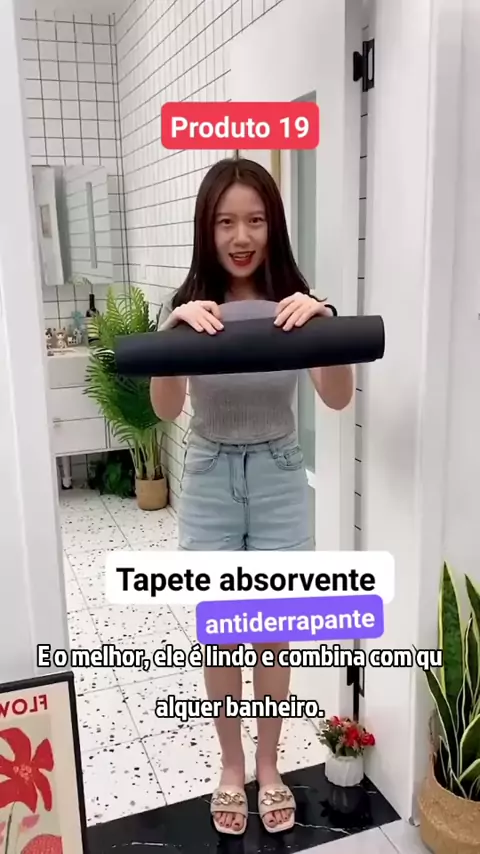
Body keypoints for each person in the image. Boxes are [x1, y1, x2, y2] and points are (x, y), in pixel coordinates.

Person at [150, 157, 353, 835]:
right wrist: (173, 334)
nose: (242, 236)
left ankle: (268, 767)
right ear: (206, 230)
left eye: (256, 220)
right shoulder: (188, 306)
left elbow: (337, 396)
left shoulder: (295, 304)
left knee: (270, 637)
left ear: (274, 225)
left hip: (277, 476)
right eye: (226, 222)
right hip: (209, 476)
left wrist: (323, 322)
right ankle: (231, 768)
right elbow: (165, 408)